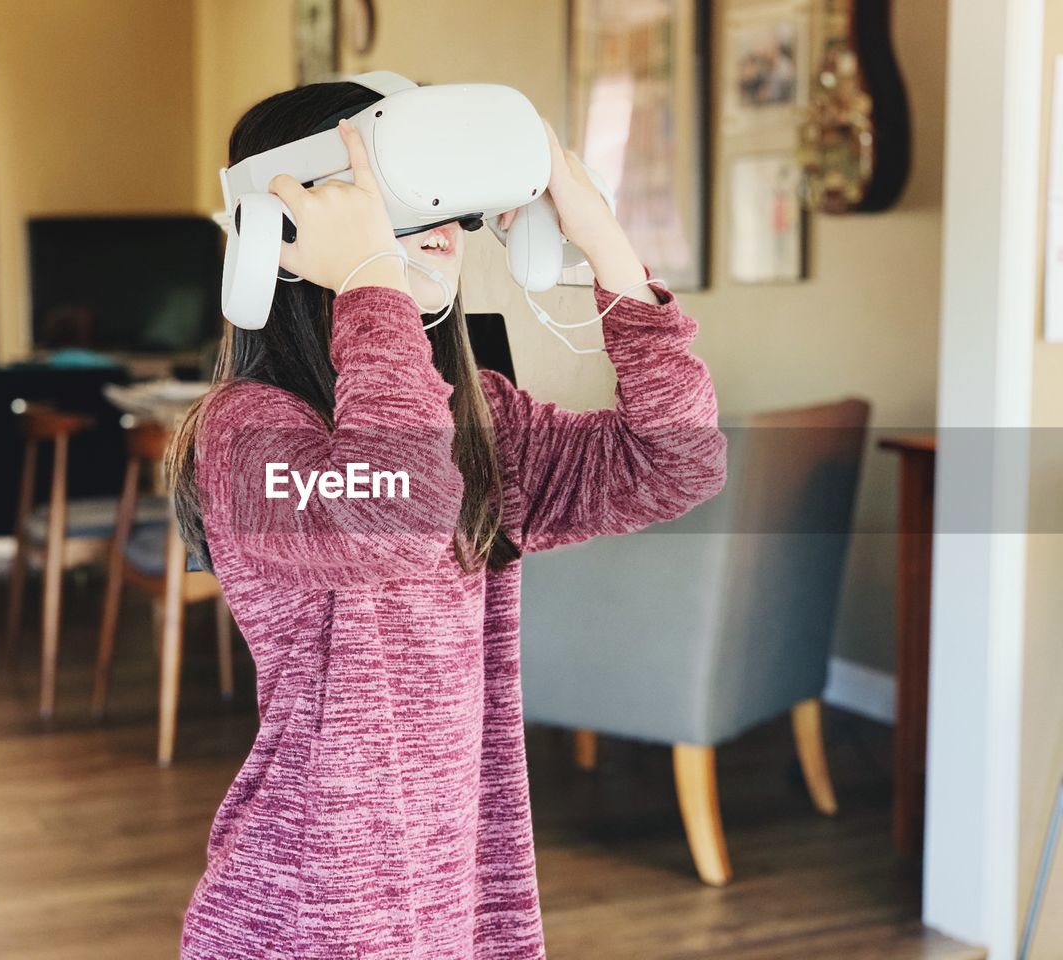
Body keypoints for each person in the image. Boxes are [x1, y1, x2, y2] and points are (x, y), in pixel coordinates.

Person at [167, 78, 727, 960]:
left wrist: (603, 245)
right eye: (385, 197)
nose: (440, 225)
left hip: (464, 887)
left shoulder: (482, 419)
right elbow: (397, 516)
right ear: (291, 223)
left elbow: (677, 463)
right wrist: (370, 287)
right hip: (313, 905)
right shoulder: (244, 435)